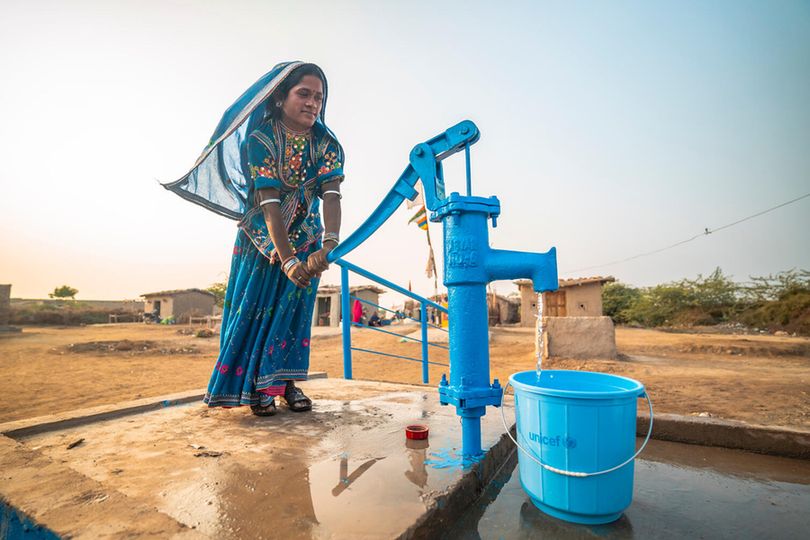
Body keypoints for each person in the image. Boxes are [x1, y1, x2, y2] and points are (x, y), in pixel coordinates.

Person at [164, 62, 344, 416]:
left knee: (293, 314)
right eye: (303, 94)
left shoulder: (326, 143)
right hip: (263, 240)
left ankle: (287, 384)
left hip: (308, 238)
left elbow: (333, 195)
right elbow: (270, 203)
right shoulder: (259, 140)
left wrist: (330, 244)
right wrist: (288, 259)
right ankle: (259, 388)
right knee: (257, 312)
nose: (312, 103)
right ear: (279, 97)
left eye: (318, 97)